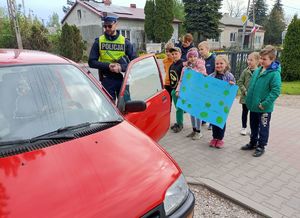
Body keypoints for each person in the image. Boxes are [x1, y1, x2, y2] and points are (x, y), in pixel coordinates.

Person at [241, 45, 281, 157]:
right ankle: (253, 142)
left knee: (263, 127)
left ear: (272, 59)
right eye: (261, 58)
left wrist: (264, 104)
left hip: (264, 108)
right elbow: (252, 86)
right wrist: (249, 101)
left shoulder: (274, 73)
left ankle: (261, 146)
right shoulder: (258, 70)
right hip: (253, 106)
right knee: (253, 126)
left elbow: (276, 91)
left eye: (265, 59)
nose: (262, 61)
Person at [88, 15, 135, 100]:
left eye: (109, 26)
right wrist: (108, 66)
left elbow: (135, 62)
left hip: (122, 79)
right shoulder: (99, 41)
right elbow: (91, 62)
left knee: (125, 107)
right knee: (108, 108)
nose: (107, 28)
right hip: (107, 79)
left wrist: (121, 67)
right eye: (105, 26)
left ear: (116, 24)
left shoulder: (125, 42)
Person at [176, 48, 207, 140]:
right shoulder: (185, 68)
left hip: (198, 93)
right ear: (187, 58)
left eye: (194, 56)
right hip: (190, 93)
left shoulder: (201, 66)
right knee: (192, 112)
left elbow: (203, 76)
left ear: (197, 57)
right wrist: (178, 90)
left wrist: (193, 71)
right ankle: (194, 130)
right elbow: (181, 80)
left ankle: (199, 132)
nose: (192, 58)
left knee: (197, 112)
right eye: (190, 57)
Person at [209, 55, 236, 148]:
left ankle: (220, 139)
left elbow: (233, 89)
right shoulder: (212, 76)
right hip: (214, 102)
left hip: (223, 103)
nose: (219, 65)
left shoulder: (229, 76)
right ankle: (214, 137)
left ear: (226, 64)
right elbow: (207, 85)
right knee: (213, 120)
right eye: (217, 63)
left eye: (221, 63)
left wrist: (232, 85)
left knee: (221, 120)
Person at [237, 52, 260, 135]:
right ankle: (244, 127)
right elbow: (240, 82)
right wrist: (245, 91)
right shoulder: (245, 71)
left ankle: (253, 129)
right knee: (244, 112)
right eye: (248, 59)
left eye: (251, 60)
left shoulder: (259, 72)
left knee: (254, 114)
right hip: (245, 97)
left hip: (255, 98)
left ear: (257, 61)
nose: (249, 61)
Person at [198, 41, 216, 130]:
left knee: (211, 104)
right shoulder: (201, 60)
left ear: (207, 49)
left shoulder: (213, 58)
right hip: (203, 85)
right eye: (199, 50)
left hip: (212, 85)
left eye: (202, 49)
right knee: (204, 103)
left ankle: (212, 122)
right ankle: (204, 119)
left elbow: (216, 71)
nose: (200, 51)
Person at [168, 47, 184, 133]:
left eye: (176, 54)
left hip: (180, 90)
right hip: (173, 89)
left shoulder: (182, 64)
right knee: (177, 107)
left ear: (180, 54)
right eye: (172, 54)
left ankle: (180, 124)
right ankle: (179, 121)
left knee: (179, 108)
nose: (174, 55)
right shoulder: (171, 65)